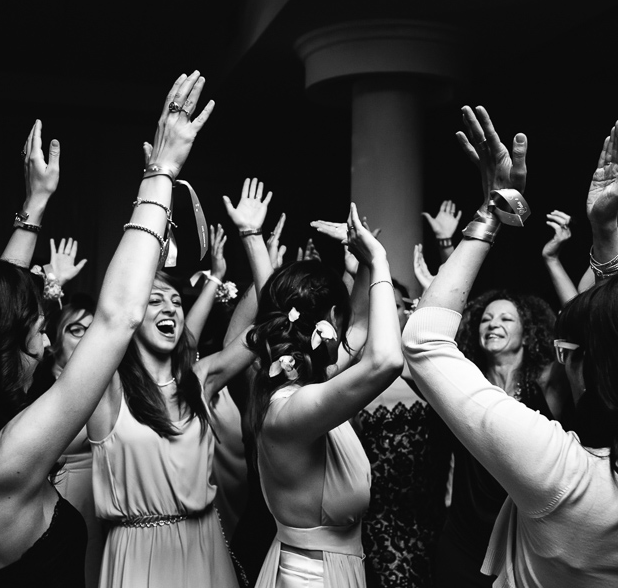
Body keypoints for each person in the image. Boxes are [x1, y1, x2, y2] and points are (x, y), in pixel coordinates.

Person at [0, 71, 213, 586]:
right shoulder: (2, 468)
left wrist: (34, 208)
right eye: (37, 332)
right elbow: (118, 317)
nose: (48, 340)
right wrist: (161, 170)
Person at [403, 106, 618, 587]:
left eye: (569, 350)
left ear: (599, 369)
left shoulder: (560, 473)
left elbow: (425, 337)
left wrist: (492, 210)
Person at [87, 177, 275, 587]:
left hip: (204, 544)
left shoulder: (200, 380)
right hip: (136, 556)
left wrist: (251, 236)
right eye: (154, 300)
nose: (169, 307)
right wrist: (153, 192)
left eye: (175, 301)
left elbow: (270, 325)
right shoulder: (107, 388)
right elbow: (114, 306)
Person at [246, 204, 403, 588]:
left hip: (330, 567)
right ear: (333, 318)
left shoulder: (303, 386)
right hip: (311, 578)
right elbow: (384, 360)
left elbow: (363, 323)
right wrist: (380, 261)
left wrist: (363, 261)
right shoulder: (294, 408)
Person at [434, 289, 563, 588]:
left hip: (524, 537)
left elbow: (581, 328)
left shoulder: (547, 383)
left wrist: (553, 262)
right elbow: (418, 352)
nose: (493, 324)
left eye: (506, 318)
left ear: (528, 333)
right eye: (485, 319)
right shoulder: (462, 384)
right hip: (463, 537)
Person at [357, 278, 448, 588]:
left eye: (394, 305)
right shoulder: (354, 369)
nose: (383, 313)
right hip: (376, 514)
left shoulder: (426, 363)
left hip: (427, 510)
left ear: (408, 312)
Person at [27, 293, 104, 588]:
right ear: (55, 339)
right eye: (77, 330)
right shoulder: (36, 389)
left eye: (92, 330)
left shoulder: (107, 384)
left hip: (103, 494)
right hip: (63, 493)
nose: (87, 338)